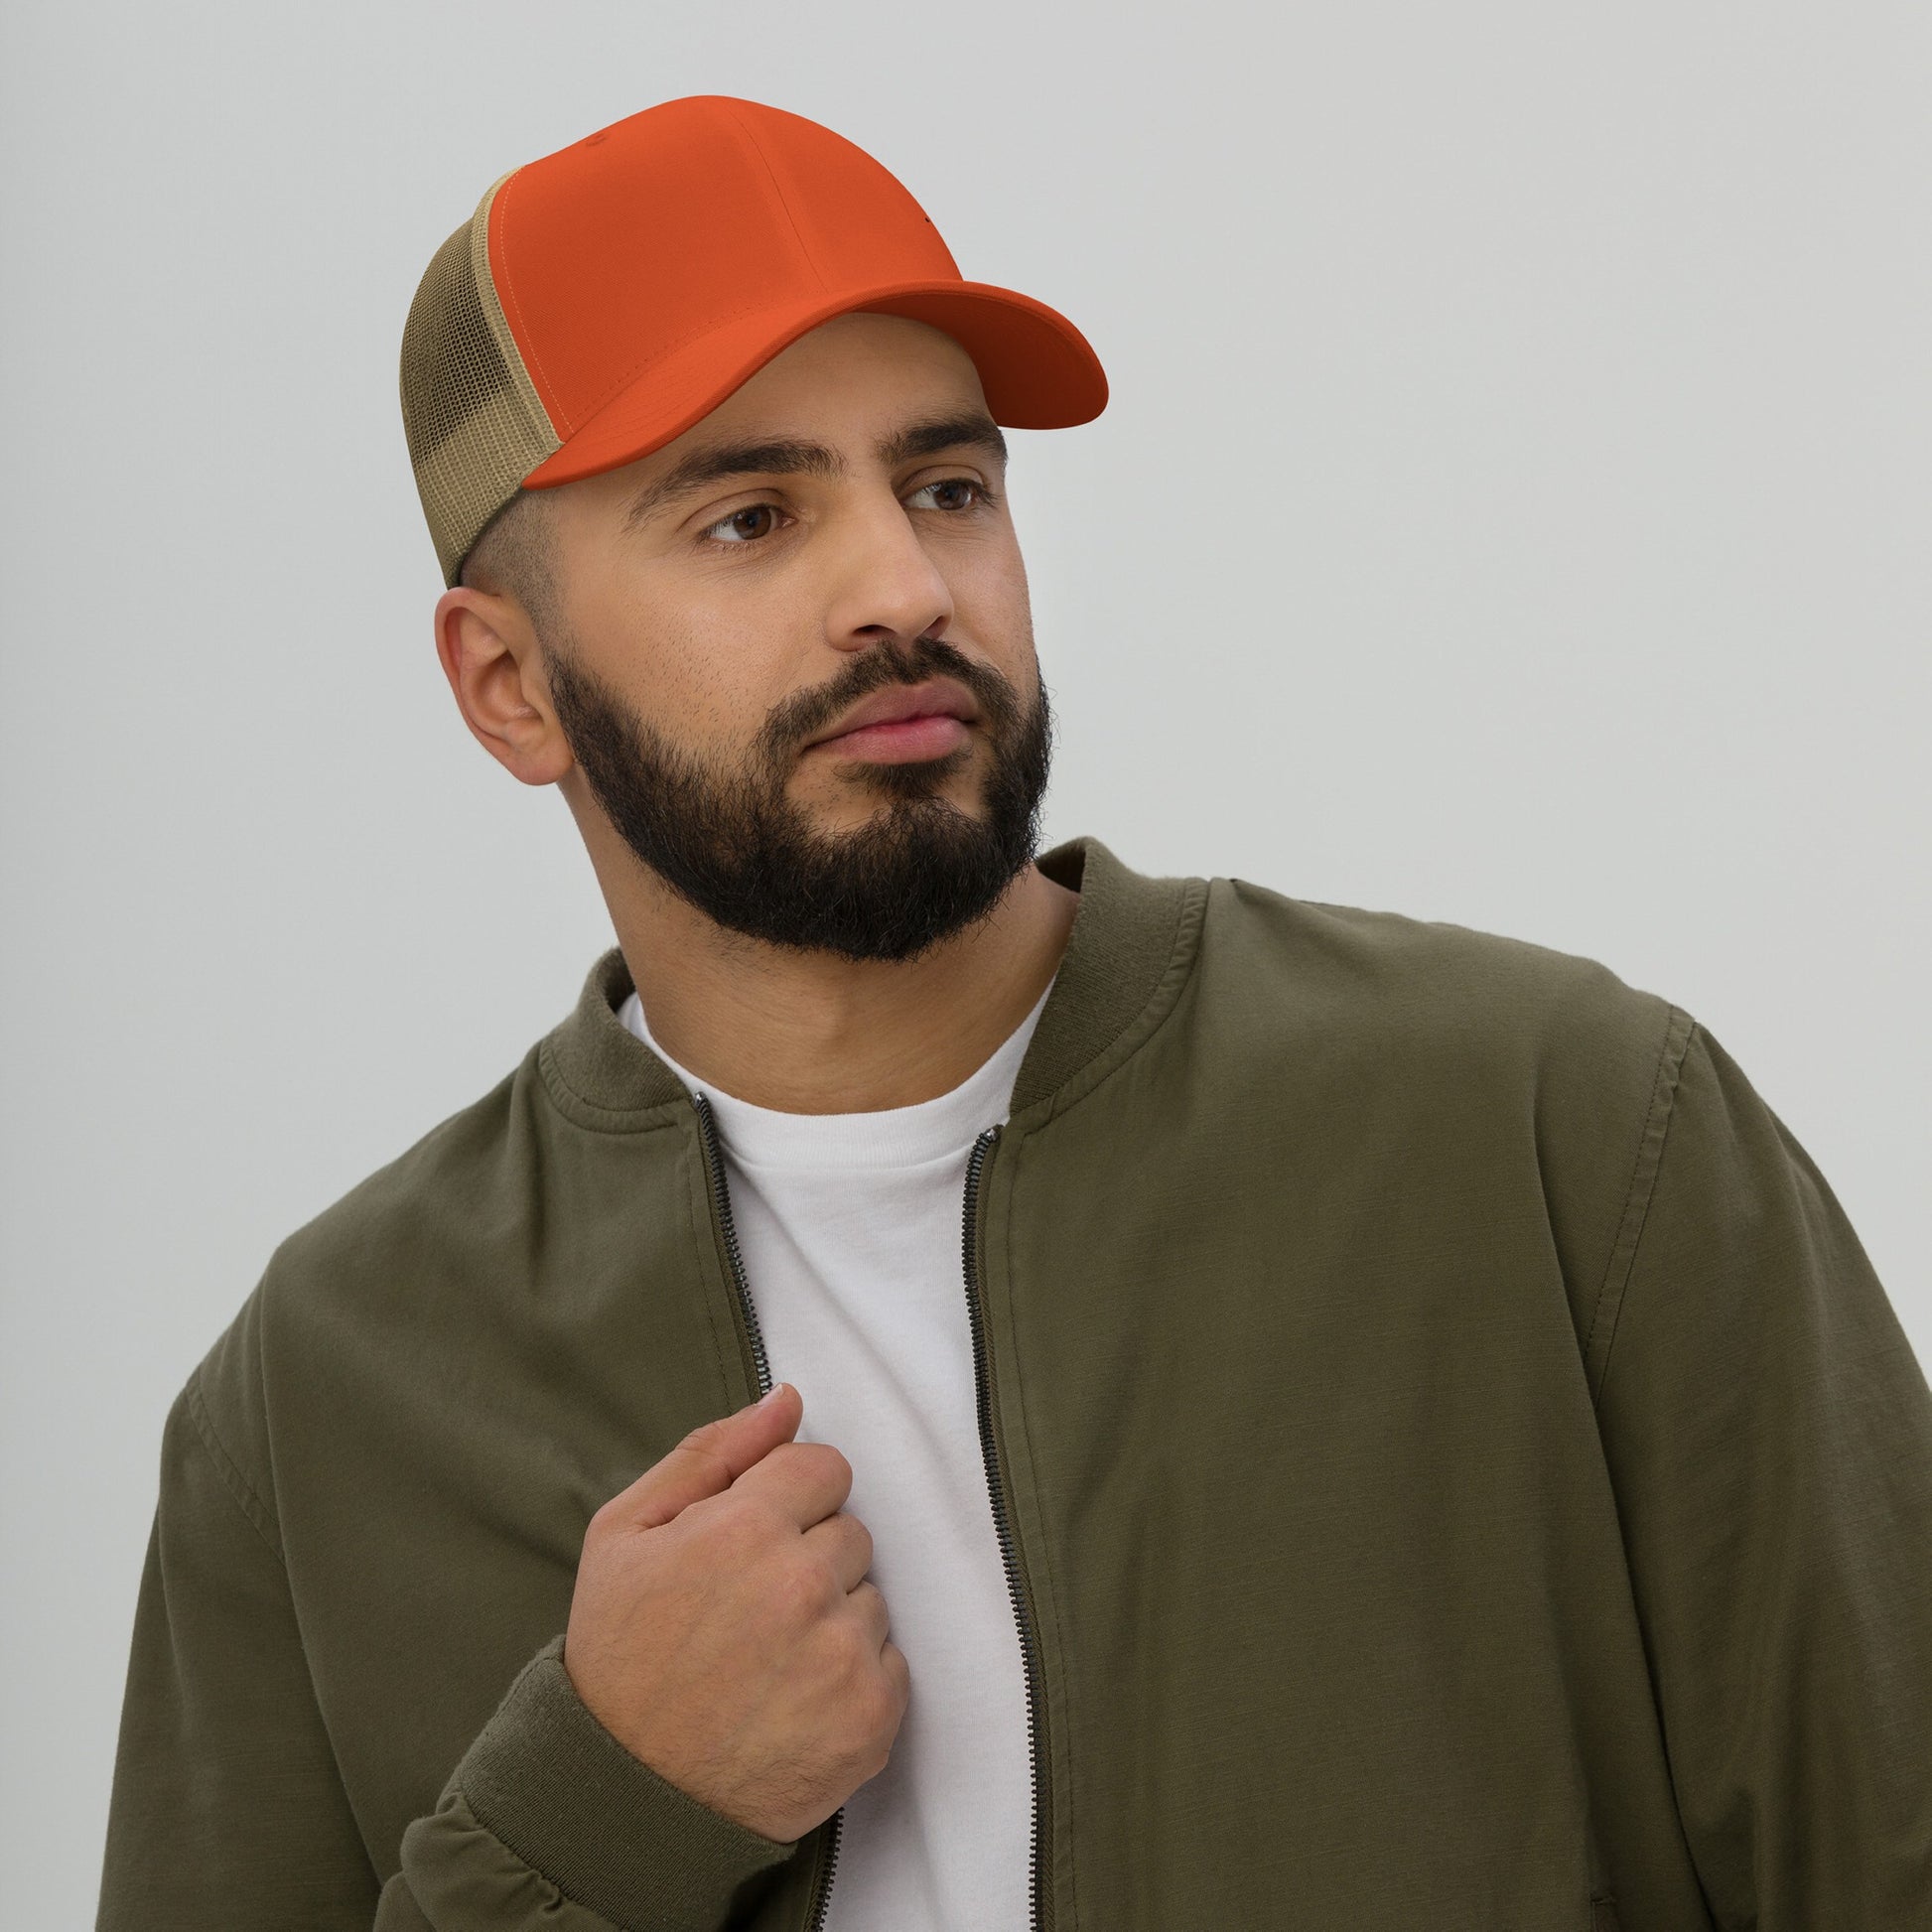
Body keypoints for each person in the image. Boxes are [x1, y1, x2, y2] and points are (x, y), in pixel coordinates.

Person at [96, 94, 1930, 1932]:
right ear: (509, 687)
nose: (902, 588)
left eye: (947, 486)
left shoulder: (1561, 1141)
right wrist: (591, 1816)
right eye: (749, 516)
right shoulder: (321, 1406)